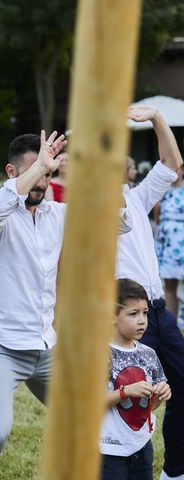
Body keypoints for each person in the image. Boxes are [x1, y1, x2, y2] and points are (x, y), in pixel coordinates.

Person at [0, 130, 69, 480]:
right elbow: (0, 206)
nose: (42, 181)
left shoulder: (58, 215)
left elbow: (119, 222)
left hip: (46, 346)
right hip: (0, 343)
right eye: (35, 171)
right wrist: (40, 167)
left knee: (87, 419)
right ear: (11, 172)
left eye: (48, 174)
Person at [116, 105, 184, 480]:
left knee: (183, 385)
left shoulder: (138, 199)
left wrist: (157, 118)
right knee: (129, 400)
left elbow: (173, 164)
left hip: (159, 312)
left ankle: (174, 472)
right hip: (124, 318)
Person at [100, 279, 171, 480]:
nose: (142, 320)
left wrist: (160, 393)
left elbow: (148, 406)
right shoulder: (99, 354)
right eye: (133, 314)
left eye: (145, 313)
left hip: (141, 446)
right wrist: (125, 392)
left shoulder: (148, 354)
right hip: (108, 450)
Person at [154, 167, 184, 318]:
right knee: (170, 285)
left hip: (182, 242)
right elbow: (157, 216)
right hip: (167, 243)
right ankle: (172, 322)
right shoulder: (163, 191)